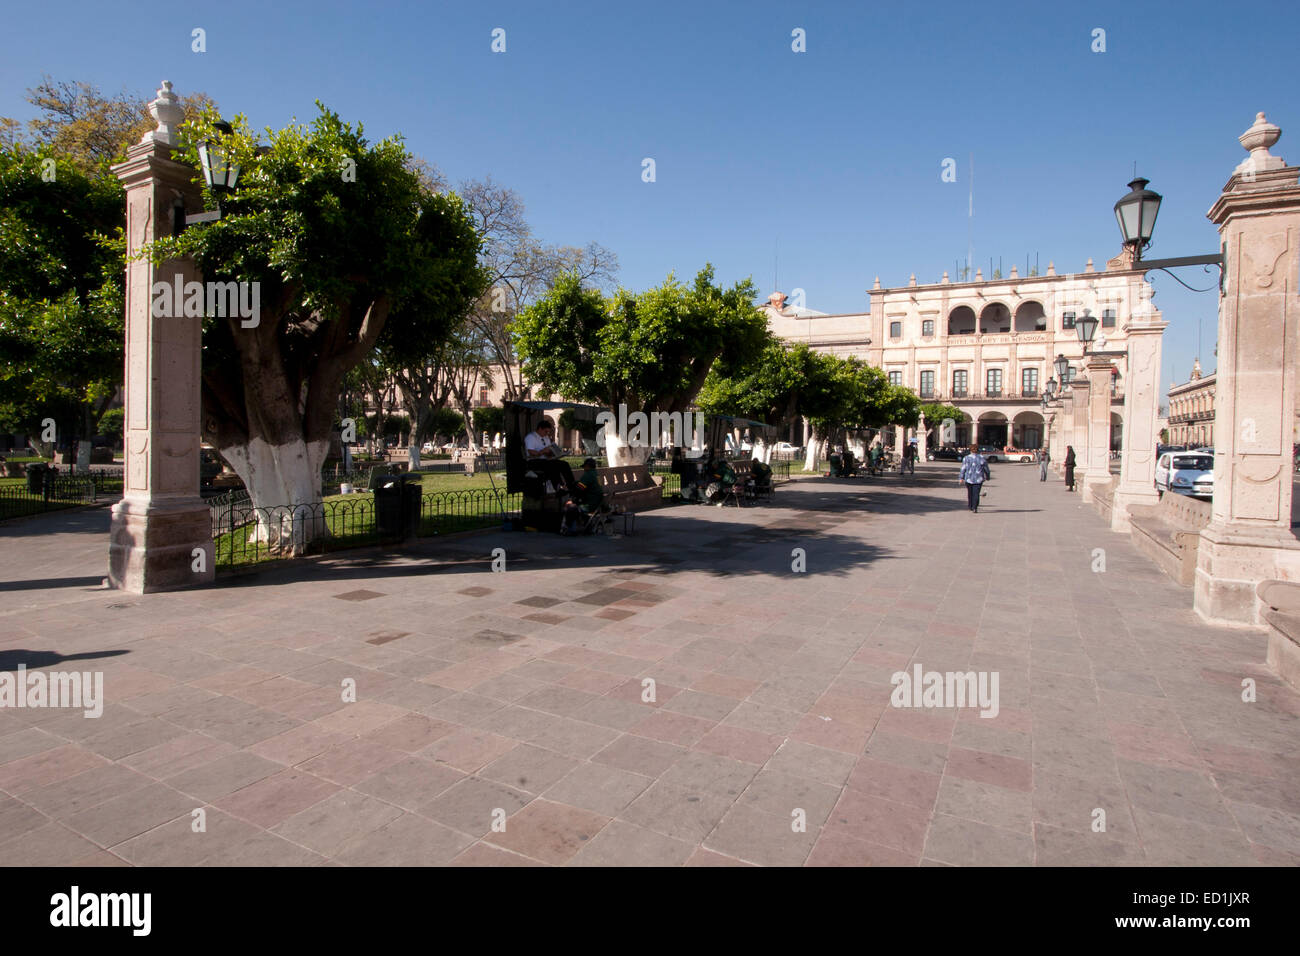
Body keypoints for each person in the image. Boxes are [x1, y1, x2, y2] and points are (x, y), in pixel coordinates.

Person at [524, 419, 576, 493]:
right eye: (546, 431)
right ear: (540, 429)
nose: (547, 433)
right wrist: (543, 451)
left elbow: (548, 451)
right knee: (552, 466)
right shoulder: (531, 437)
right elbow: (531, 452)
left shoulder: (546, 438)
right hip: (533, 461)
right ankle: (558, 486)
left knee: (564, 464)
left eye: (548, 432)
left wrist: (554, 454)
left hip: (545, 460)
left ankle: (571, 486)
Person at [959, 444, 990, 513]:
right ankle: (975, 507)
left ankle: (970, 505)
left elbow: (963, 468)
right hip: (978, 478)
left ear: (970, 450)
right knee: (976, 493)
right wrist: (987, 476)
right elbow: (986, 469)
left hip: (968, 478)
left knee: (970, 493)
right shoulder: (982, 458)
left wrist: (961, 477)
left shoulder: (966, 458)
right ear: (978, 450)